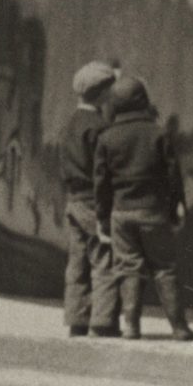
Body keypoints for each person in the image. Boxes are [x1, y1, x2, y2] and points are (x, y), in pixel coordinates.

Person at [93, 75, 193, 342]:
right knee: (164, 268)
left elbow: (101, 184)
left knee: (128, 268)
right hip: (153, 212)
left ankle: (131, 327)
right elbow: (173, 176)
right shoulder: (158, 133)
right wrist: (176, 208)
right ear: (143, 100)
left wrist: (103, 218)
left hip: (121, 213)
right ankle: (180, 327)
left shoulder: (107, 137)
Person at [60, 60, 120, 338]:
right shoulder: (100, 127)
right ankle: (103, 322)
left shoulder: (70, 123)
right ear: (103, 93)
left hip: (72, 199)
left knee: (78, 263)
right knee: (104, 259)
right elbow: (103, 172)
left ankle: (77, 320)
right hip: (93, 202)